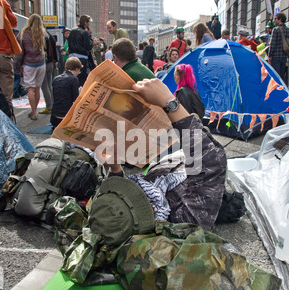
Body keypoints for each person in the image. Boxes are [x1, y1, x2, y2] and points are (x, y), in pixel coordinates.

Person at [92, 77, 227, 232]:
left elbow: (113, 208)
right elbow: (212, 161)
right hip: (187, 167)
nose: (130, 193)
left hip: (173, 162)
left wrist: (115, 169)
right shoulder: (180, 224)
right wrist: (169, 102)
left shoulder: (131, 221)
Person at [14, 14, 48, 120]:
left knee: (30, 88)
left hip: (29, 64)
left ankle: (33, 112)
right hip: (41, 63)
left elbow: (20, 52)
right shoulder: (43, 33)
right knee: (37, 88)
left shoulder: (23, 34)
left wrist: (17, 66)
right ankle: (35, 110)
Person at [50, 57, 82, 128]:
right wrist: (80, 92)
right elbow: (75, 100)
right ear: (76, 69)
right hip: (66, 118)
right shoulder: (74, 79)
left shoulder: (56, 79)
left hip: (54, 118)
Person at [68, 15, 94, 86]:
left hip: (72, 56)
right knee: (82, 78)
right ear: (85, 23)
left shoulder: (72, 31)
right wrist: (90, 37)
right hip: (82, 58)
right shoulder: (85, 33)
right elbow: (89, 46)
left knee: (73, 76)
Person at [268, 13, 289, 82]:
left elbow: (272, 44)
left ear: (280, 19)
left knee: (275, 74)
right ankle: (282, 89)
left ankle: (276, 90)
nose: (274, 20)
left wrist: (269, 56)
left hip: (276, 56)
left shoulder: (275, 30)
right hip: (284, 56)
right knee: (282, 75)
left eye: (275, 19)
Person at [39, 32, 58, 115]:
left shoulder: (40, 35)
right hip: (51, 62)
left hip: (43, 62)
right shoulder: (49, 35)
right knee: (49, 84)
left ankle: (49, 106)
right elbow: (54, 49)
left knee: (44, 85)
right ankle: (53, 104)